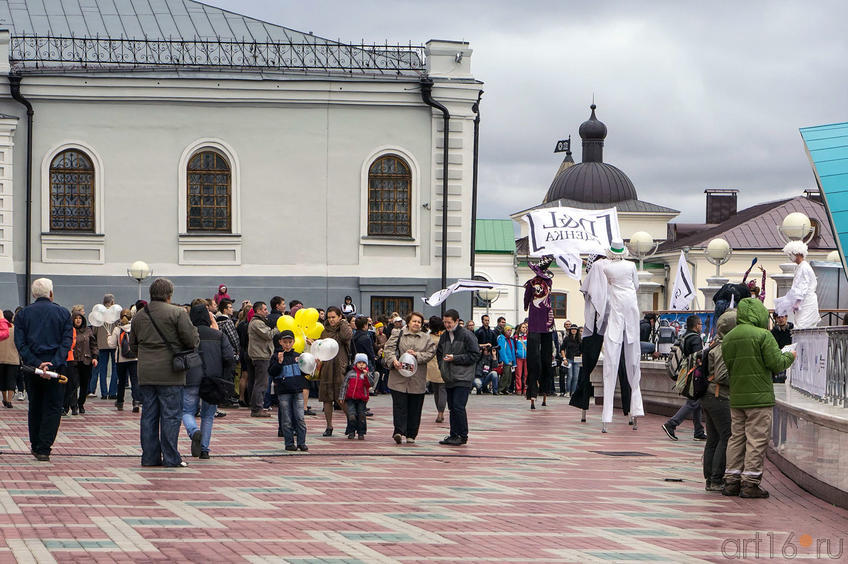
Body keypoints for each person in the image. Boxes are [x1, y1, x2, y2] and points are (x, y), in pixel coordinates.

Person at [721, 298, 796, 498]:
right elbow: (776, 363)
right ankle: (750, 483)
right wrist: (790, 356)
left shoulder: (729, 338)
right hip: (759, 399)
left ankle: (731, 481)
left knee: (736, 438)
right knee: (756, 439)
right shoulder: (763, 335)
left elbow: (729, 367)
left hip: (737, 397)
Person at [129, 278, 199, 468]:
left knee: (149, 415)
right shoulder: (178, 313)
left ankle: (149, 457)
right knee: (171, 415)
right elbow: (191, 340)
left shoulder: (140, 316)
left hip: (146, 372)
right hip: (170, 372)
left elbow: (132, 345)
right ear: (169, 295)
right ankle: (171, 457)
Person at [14, 278, 73, 461]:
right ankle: (44, 447)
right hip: (56, 368)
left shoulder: (23, 314)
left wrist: (37, 363)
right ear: (51, 293)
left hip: (32, 368)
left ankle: (35, 444)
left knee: (35, 406)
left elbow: (20, 343)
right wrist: (53, 364)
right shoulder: (63, 313)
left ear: (33, 294)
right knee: (53, 407)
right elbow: (66, 343)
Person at [600, 241, 645, 432]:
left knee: (612, 357)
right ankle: (635, 410)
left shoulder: (607, 268)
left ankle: (607, 416)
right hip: (630, 307)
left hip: (617, 308)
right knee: (633, 357)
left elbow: (610, 285)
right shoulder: (631, 265)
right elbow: (635, 285)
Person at [181, 303, 233, 460]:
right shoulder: (218, 335)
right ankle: (204, 449)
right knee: (208, 415)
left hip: (190, 379)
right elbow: (229, 357)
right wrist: (224, 378)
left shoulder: (187, 336)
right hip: (213, 379)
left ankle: (193, 431)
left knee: (186, 411)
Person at [384, 311, 437, 444]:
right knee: (399, 405)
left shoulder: (426, 338)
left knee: (415, 407)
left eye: (419, 322)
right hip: (398, 377)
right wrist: (393, 360)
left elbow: (430, 353)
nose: (416, 324)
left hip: (417, 377)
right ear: (408, 322)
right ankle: (398, 431)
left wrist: (417, 355)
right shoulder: (398, 333)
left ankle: (411, 434)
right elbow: (388, 349)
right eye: (414, 321)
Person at [702, 310, 736, 492]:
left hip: (708, 396)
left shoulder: (715, 343)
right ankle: (716, 479)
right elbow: (722, 375)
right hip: (719, 396)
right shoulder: (724, 347)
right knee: (726, 437)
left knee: (713, 438)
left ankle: (709, 478)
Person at [436, 309, 480, 446]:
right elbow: (439, 353)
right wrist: (441, 366)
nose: (447, 325)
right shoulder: (444, 336)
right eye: (445, 322)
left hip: (463, 377)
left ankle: (462, 435)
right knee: (452, 407)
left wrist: (456, 358)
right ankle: (453, 434)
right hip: (449, 377)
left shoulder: (467, 335)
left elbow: (475, 355)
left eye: (449, 322)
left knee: (458, 406)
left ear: (456, 321)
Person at [661, 315, 707, 441]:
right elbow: (698, 358)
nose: (701, 327)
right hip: (693, 375)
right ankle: (671, 424)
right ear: (697, 325)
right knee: (693, 402)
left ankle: (698, 431)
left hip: (683, 373)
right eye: (700, 324)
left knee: (696, 402)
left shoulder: (684, 336)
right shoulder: (696, 339)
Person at [524, 256, 555, 410]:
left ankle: (533, 392)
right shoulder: (548, 282)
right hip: (548, 323)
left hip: (535, 324)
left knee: (534, 359)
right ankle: (544, 390)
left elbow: (526, 301)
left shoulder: (531, 283)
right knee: (545, 358)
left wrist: (528, 295)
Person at [268, 330, 308, 451]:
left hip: (297, 390)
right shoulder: (276, 356)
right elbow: (271, 372)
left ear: (294, 342)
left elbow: (304, 372)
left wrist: (312, 365)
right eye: (285, 342)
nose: (287, 345)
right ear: (280, 342)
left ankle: (301, 442)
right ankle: (289, 443)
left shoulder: (298, 356)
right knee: (286, 418)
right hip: (283, 391)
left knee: (300, 417)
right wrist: (279, 362)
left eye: (290, 342)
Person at [318, 306, 353, 437]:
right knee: (326, 399)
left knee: (341, 398)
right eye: (329, 317)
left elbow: (346, 337)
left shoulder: (343, 328)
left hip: (340, 367)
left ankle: (351, 423)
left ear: (339, 316)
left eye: (334, 317)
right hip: (326, 367)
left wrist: (343, 322)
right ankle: (329, 426)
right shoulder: (324, 331)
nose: (331, 320)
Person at [775, 241, 819, 329]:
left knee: (802, 326)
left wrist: (797, 302)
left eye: (791, 254)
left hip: (806, 302)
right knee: (801, 324)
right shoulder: (801, 266)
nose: (790, 257)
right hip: (805, 302)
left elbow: (802, 287)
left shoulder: (804, 267)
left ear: (798, 253)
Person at [107, 309, 140, 412]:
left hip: (121, 359)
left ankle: (120, 402)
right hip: (134, 358)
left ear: (120, 317)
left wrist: (108, 337)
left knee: (121, 381)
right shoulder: (135, 328)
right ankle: (136, 402)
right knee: (135, 380)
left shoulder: (117, 329)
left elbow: (111, 344)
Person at [247, 302, 274, 417]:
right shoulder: (257, 323)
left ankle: (256, 406)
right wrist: (279, 329)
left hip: (260, 354)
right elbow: (268, 334)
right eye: (264, 309)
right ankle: (257, 408)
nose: (266, 312)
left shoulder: (257, 322)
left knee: (258, 382)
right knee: (261, 383)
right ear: (258, 311)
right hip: (260, 355)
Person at [68, 313, 97, 415]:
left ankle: (81, 403)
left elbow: (93, 344)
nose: (78, 320)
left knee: (84, 384)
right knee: (74, 384)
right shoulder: (69, 330)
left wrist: (95, 357)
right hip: (73, 361)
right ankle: (74, 405)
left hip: (86, 360)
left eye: (80, 318)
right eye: (76, 318)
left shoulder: (88, 330)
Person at [92, 293, 118, 399]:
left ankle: (104, 393)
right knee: (115, 368)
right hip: (113, 344)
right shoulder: (116, 313)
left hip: (101, 345)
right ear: (112, 302)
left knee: (102, 369)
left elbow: (94, 330)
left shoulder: (99, 313)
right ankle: (112, 392)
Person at [341, 353, 370, 439]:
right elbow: (344, 385)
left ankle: (361, 432)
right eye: (359, 362)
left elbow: (370, 384)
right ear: (355, 363)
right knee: (352, 415)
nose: (361, 365)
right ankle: (351, 431)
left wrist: (366, 376)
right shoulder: (350, 373)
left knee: (361, 415)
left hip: (362, 399)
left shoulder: (367, 374)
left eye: (363, 363)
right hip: (351, 398)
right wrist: (341, 397)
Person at [426, 316, 447, 423]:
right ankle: (441, 413)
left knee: (436, 391)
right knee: (443, 389)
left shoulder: (428, 337)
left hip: (431, 365)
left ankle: (439, 412)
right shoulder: (443, 337)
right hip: (442, 364)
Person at [0, 310, 20, 409]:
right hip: (13, 358)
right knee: (12, 379)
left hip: (1, 358)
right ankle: (9, 400)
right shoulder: (16, 330)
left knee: (2, 380)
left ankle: (4, 398)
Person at [562, 325, 581, 397]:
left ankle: (573, 392)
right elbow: (562, 349)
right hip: (569, 359)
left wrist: (580, 357)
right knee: (570, 376)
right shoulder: (567, 338)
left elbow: (582, 350)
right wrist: (564, 358)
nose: (573, 330)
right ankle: (568, 391)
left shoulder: (579, 339)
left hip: (577, 359)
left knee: (576, 377)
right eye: (572, 329)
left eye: (575, 329)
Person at [497, 326, 515, 394]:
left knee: (509, 376)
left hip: (510, 359)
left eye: (510, 330)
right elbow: (502, 350)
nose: (510, 332)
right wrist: (505, 360)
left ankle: (506, 388)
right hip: (505, 360)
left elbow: (512, 350)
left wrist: (513, 361)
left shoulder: (510, 339)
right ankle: (500, 388)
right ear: (504, 331)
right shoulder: (502, 338)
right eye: (508, 330)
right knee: (505, 375)